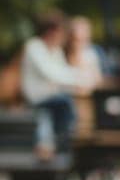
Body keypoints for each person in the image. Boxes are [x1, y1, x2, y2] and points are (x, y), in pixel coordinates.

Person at [20, 11, 96, 159]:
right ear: (52, 32)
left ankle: (50, 145)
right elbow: (53, 74)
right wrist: (82, 79)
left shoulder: (55, 50)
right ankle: (65, 140)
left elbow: (65, 72)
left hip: (51, 100)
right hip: (37, 99)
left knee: (50, 111)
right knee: (64, 103)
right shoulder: (34, 47)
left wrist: (81, 78)